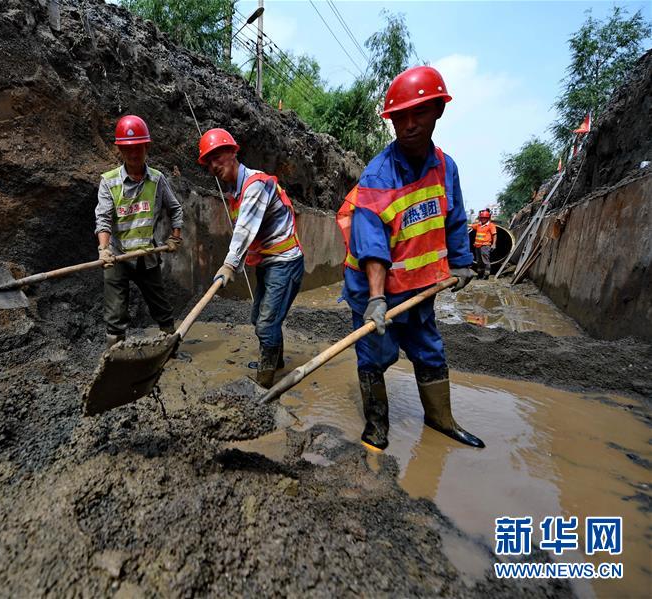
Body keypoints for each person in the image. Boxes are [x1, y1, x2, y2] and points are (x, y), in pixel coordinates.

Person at [336, 66, 484, 450]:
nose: (409, 124)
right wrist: (375, 299)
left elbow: (453, 218)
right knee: (374, 353)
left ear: (438, 110)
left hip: (419, 287)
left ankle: (440, 419)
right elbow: (371, 247)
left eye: (418, 113)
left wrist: (462, 261)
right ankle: (377, 424)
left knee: (429, 348)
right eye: (399, 116)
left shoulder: (445, 167)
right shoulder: (377, 176)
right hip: (375, 287)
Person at [197, 128, 305, 387]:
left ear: (234, 152)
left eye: (218, 156)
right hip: (268, 263)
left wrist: (229, 264)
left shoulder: (256, 184)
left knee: (266, 324)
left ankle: (264, 382)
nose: (213, 165)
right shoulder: (235, 192)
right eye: (208, 161)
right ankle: (276, 361)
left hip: (285, 262)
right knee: (260, 319)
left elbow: (245, 229)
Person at [94, 115, 184, 348]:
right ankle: (114, 357)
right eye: (127, 149)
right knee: (114, 315)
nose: (133, 154)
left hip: (147, 255)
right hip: (117, 256)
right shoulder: (109, 182)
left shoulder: (157, 179)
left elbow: (175, 208)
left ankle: (169, 348)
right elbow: (103, 218)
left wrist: (175, 236)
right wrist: (104, 249)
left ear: (147, 147)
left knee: (161, 307)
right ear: (120, 150)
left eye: (138, 148)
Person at [470, 209, 497, 279]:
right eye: (481, 218)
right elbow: (471, 226)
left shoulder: (491, 225)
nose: (483, 219)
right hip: (477, 246)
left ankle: (486, 274)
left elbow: (494, 234)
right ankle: (480, 274)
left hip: (485, 245)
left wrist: (494, 244)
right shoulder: (478, 225)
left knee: (485, 260)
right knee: (479, 261)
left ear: (488, 218)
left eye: (484, 218)